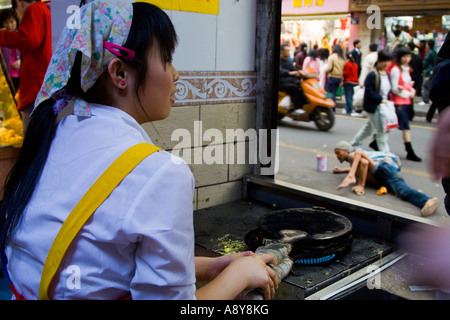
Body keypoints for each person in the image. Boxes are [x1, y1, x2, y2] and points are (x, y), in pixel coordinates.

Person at [0, 1, 278, 300]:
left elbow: (92, 261)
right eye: (168, 59)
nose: (176, 74)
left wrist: (206, 268)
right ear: (120, 73)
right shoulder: (158, 172)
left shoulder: (55, 136)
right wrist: (238, 277)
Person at [333, 141, 439, 217]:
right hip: (383, 171)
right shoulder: (353, 161)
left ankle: (427, 201)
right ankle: (416, 194)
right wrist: (343, 170)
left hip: (384, 169)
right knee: (400, 190)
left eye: (338, 152)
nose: (337, 156)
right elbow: (359, 167)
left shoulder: (353, 154)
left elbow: (363, 160)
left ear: (346, 151)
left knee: (403, 191)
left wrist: (358, 182)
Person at [0, 0, 51, 131]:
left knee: (33, 134)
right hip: (43, 83)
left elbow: (29, 39)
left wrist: (2, 35)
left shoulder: (34, 10)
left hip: (36, 84)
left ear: (18, 3)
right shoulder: (44, 9)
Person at [350, 50, 393, 153]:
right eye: (384, 61)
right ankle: (385, 154)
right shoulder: (373, 74)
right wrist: (380, 99)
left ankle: (353, 144)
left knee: (368, 129)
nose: (386, 64)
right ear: (379, 61)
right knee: (382, 130)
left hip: (383, 107)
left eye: (388, 61)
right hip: (374, 107)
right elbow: (369, 91)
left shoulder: (387, 74)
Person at [390, 46, 422, 162]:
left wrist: (411, 91)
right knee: (404, 127)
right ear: (399, 57)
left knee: (391, 125)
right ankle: (410, 151)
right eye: (404, 56)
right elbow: (394, 88)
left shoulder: (407, 69)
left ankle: (376, 142)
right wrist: (407, 93)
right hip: (398, 102)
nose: (406, 59)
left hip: (406, 101)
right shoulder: (396, 70)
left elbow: (407, 84)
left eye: (408, 56)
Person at [0, 9, 21, 92]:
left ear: (16, 21)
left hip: (22, 75)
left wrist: (21, 62)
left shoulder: (21, 36)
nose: (9, 25)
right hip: (7, 76)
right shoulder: (2, 38)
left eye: (12, 22)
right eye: (6, 22)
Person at [279, 43, 305, 110]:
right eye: (287, 50)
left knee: (301, 85)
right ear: (281, 51)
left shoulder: (289, 61)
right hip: (281, 82)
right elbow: (280, 71)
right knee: (295, 87)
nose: (288, 52)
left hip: (289, 80)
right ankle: (297, 108)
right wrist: (289, 73)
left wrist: (299, 72)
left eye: (289, 50)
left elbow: (293, 69)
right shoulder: (278, 60)